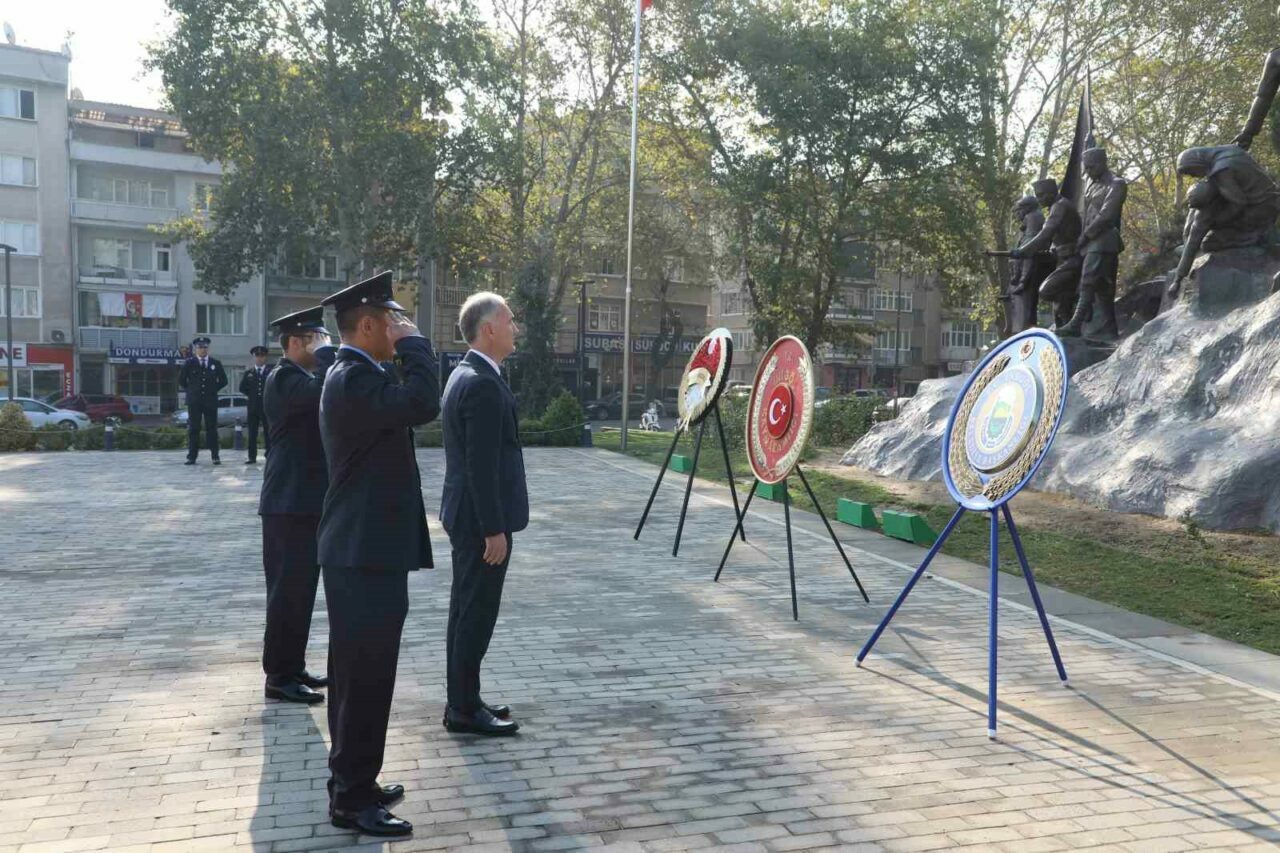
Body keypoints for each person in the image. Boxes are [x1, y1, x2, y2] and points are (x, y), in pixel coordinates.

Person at [317, 270, 440, 838]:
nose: (398, 330)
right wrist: (417, 346)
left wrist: (404, 346)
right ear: (366, 326)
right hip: (362, 552)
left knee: (353, 675)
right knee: (365, 678)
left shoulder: (357, 373)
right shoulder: (354, 379)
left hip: (363, 550)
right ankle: (352, 801)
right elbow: (421, 402)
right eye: (391, 322)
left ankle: (352, 779)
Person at [439, 292, 527, 737]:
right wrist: (494, 529)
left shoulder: (469, 374)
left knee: (465, 610)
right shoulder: (480, 384)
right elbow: (481, 466)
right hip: (479, 522)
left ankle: (464, 698)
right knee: (476, 613)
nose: (515, 328)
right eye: (509, 321)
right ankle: (463, 709)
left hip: (467, 517)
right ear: (488, 329)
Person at [258, 307, 336, 705]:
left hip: (303, 503)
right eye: (313, 340)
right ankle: (279, 676)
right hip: (287, 504)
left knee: (301, 591)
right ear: (293, 343)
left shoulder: (298, 377)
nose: (322, 345)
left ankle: (293, 664)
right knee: (287, 592)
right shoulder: (284, 378)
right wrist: (327, 357)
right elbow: (324, 390)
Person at [1061, 147, 1127, 340]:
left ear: (1102, 163)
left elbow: (1107, 215)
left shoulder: (1117, 184)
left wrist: (1086, 236)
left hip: (1104, 241)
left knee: (1088, 282)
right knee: (1103, 289)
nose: (1088, 171)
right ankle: (1108, 330)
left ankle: (1075, 324)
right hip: (1090, 243)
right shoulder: (1091, 185)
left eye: (1091, 167)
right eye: (1086, 168)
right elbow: (1086, 215)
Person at [1011, 178, 1083, 330]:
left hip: (1071, 259)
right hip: (1060, 259)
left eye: (1041, 195)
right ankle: (1065, 326)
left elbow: (1045, 234)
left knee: (1046, 291)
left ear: (1052, 193)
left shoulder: (1060, 206)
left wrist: (1022, 251)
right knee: (1060, 301)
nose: (1038, 199)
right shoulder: (1054, 207)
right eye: (1037, 196)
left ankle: (1081, 305)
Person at [178, 336, 227, 465]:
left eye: (205, 347)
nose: (202, 349)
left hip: (210, 401)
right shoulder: (189, 363)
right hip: (195, 402)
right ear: (195, 349)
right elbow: (182, 381)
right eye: (200, 347)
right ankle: (192, 456)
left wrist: (212, 390)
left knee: (212, 429)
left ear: (208, 348)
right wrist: (192, 391)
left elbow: (223, 381)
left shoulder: (215, 363)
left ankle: (215, 456)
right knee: (194, 429)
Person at [240, 346, 273, 464]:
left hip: (266, 406)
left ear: (266, 357)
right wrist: (252, 395)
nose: (259, 359)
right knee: (252, 433)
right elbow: (242, 388)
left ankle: (269, 454)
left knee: (268, 432)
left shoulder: (271, 372)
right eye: (257, 356)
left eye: (262, 356)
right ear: (253, 357)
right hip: (253, 407)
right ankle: (251, 456)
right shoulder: (249, 373)